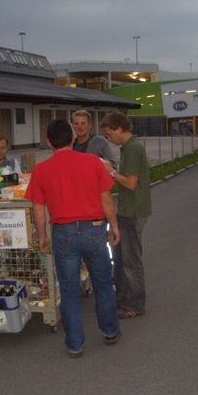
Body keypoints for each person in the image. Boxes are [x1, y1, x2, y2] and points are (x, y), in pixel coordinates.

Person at [25, 119, 121, 358]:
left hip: (63, 233)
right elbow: (106, 199)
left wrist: (42, 237)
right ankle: (110, 331)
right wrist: (114, 226)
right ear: (72, 138)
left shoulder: (41, 170)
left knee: (68, 291)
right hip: (95, 229)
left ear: (49, 142)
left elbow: (38, 210)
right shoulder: (93, 163)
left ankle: (75, 344)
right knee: (103, 283)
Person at [100, 112, 152, 319]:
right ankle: (121, 299)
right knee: (121, 258)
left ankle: (136, 304)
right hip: (128, 210)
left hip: (133, 211)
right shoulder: (131, 147)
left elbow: (131, 183)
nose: (108, 138)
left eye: (108, 133)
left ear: (119, 128)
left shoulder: (133, 149)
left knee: (131, 260)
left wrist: (110, 172)